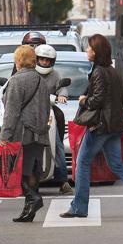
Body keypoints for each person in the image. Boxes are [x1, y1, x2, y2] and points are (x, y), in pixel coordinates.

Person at [60, 34, 123, 219]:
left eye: (89, 48)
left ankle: (79, 207)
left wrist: (83, 100)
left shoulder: (98, 72)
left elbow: (97, 100)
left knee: (82, 163)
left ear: (96, 52)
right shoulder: (112, 71)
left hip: (101, 126)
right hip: (115, 125)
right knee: (117, 165)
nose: (87, 50)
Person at [0, 45, 51, 223]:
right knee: (32, 170)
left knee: (17, 170)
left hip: (22, 133)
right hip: (39, 133)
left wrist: (4, 136)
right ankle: (29, 209)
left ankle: (33, 199)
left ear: (18, 60)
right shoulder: (41, 80)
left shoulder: (16, 80)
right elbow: (46, 109)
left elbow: (11, 112)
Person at [34, 44, 73, 195]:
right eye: (42, 59)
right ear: (36, 59)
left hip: (49, 112)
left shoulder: (55, 74)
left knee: (57, 145)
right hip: (32, 113)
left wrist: (62, 95)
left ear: (52, 62)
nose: (44, 62)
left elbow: (61, 87)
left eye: (47, 60)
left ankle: (63, 180)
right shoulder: (31, 73)